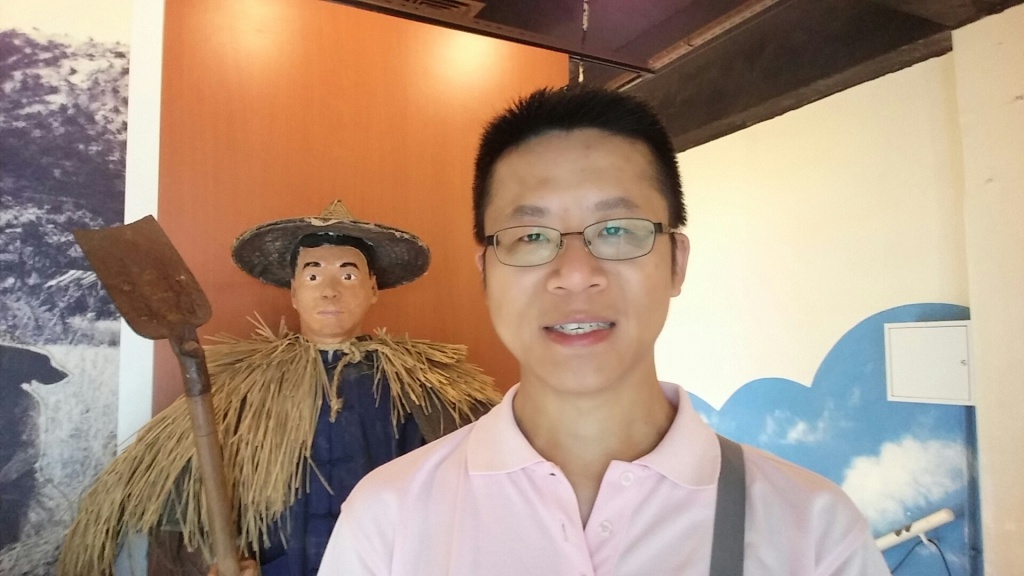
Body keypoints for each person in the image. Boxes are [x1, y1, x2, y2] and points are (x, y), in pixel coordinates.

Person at [312, 87, 891, 575]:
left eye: (617, 230)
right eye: (531, 237)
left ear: (677, 262)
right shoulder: (389, 517)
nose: (575, 275)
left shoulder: (814, 530)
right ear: (486, 271)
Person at [58, 201, 501, 576]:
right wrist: (219, 558)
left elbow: (476, 496)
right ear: (292, 291)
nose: (329, 290)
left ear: (372, 290)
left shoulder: (430, 387)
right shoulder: (239, 389)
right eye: (312, 275)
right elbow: (184, 504)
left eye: (348, 276)